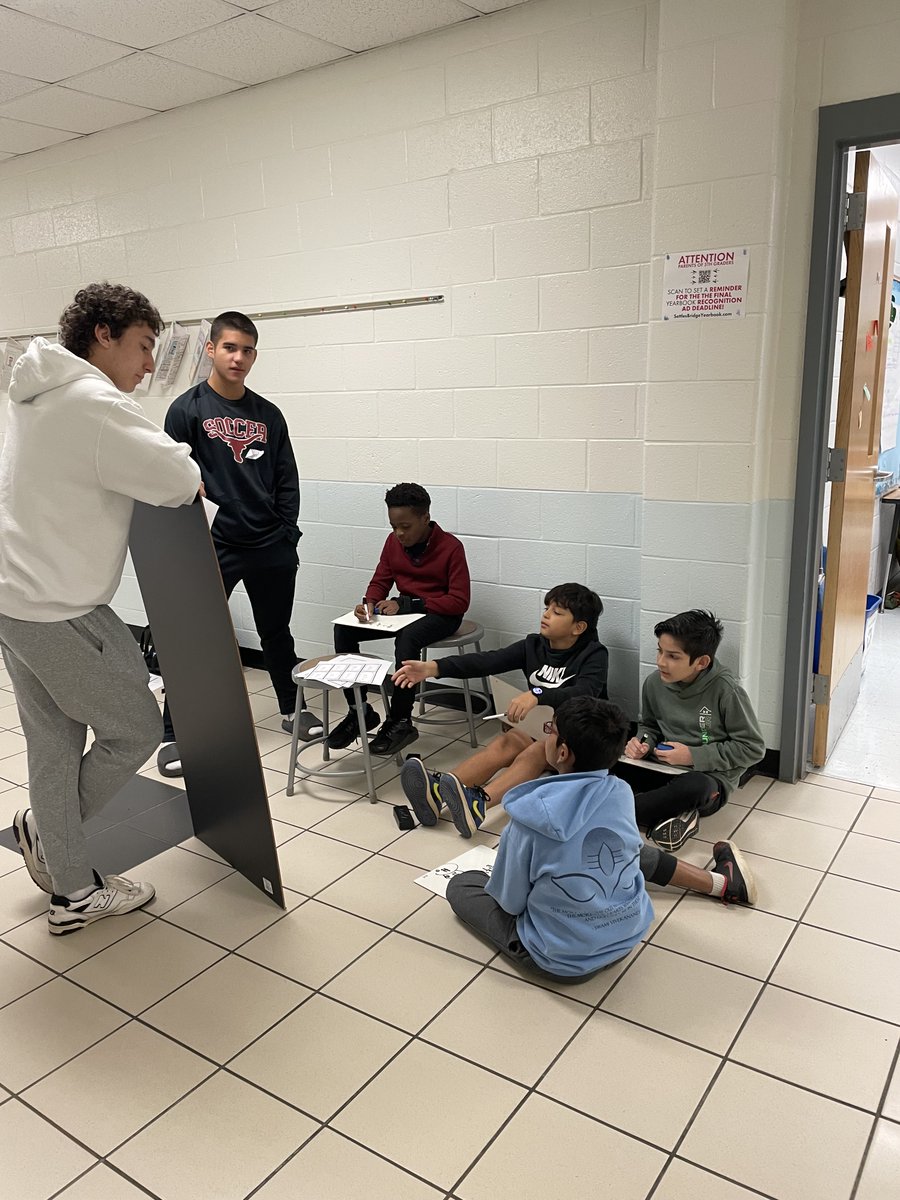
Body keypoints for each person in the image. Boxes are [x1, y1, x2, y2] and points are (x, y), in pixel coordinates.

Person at [0, 283, 201, 934]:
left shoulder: (31, 396)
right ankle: (51, 841)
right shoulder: (90, 402)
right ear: (104, 335)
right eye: (144, 347)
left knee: (55, 748)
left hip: (13, 602)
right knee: (137, 727)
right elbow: (177, 478)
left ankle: (72, 895)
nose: (149, 365)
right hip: (60, 607)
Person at [445, 697, 758, 980]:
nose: (546, 737)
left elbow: (510, 903)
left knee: (462, 885)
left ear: (562, 751)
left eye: (551, 731)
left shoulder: (525, 822)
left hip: (563, 962)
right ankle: (721, 884)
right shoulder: (621, 793)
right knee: (624, 850)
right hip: (627, 938)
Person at [156, 311, 318, 777]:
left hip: (270, 543)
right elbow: (170, 475)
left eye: (247, 350)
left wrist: (287, 530)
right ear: (211, 349)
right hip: (214, 546)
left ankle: (292, 708)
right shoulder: (186, 410)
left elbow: (287, 477)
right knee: (195, 641)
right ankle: (176, 732)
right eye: (230, 347)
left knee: (277, 633)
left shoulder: (268, 415)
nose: (239, 358)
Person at [394, 583, 607, 836]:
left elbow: (584, 692)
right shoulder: (533, 645)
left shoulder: (595, 654)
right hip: (546, 728)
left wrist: (538, 694)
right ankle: (437, 792)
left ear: (578, 627)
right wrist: (434, 668)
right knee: (509, 740)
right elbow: (487, 661)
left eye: (558, 612)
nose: (546, 615)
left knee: (537, 750)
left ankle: (479, 803)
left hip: (581, 739)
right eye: (546, 608)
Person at [327, 482, 470, 756]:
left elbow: (460, 600)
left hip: (441, 614)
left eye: (405, 526)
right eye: (393, 526)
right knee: (343, 630)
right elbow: (380, 580)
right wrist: (368, 603)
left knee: (408, 639)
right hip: (404, 614)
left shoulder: (451, 547)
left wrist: (410, 603)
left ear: (425, 519)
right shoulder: (393, 543)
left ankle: (401, 720)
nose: (399, 533)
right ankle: (360, 712)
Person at [620, 609, 765, 852]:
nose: (660, 662)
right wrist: (642, 742)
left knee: (696, 789)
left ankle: (617, 811)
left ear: (701, 662)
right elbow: (649, 725)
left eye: (673, 656)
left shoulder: (725, 691)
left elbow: (753, 748)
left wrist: (693, 756)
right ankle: (673, 814)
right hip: (659, 767)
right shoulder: (654, 683)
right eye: (660, 651)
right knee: (608, 759)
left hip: (706, 778)